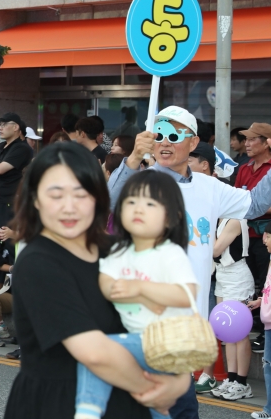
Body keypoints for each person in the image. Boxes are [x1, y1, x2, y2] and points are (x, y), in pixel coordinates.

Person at [5, 142, 192, 419]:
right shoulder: (37, 261)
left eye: (81, 194)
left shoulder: (119, 251)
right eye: (56, 195)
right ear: (35, 199)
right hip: (59, 405)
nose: (69, 207)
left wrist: (179, 381)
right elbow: (94, 352)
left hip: (126, 404)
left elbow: (164, 321)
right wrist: (153, 392)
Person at [108, 106, 271, 417]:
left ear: (193, 143)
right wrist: (130, 161)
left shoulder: (209, 187)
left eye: (174, 135)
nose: (164, 143)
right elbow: (108, 205)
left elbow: (255, 204)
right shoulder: (141, 181)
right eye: (159, 136)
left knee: (181, 409)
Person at [76, 170, 198, 419]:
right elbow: (106, 283)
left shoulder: (170, 253)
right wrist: (141, 297)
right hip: (138, 343)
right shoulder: (119, 251)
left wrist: (140, 289)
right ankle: (89, 409)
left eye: (150, 204)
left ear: (171, 218)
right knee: (156, 404)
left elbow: (187, 294)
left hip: (165, 342)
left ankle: (88, 410)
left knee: (99, 350)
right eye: (131, 201)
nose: (138, 209)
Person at [208, 218, 255, 401]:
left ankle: (242, 383)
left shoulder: (235, 219)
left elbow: (215, 250)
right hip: (221, 275)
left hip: (237, 276)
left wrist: (208, 230)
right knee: (227, 333)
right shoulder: (219, 219)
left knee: (240, 333)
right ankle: (231, 378)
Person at [235, 124, 271, 306]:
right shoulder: (243, 168)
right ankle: (254, 320)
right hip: (244, 236)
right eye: (246, 139)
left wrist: (254, 206)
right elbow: (235, 199)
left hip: (266, 237)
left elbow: (242, 203)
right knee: (249, 282)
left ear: (266, 144)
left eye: (252, 139)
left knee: (267, 280)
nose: (246, 144)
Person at [248, 231, 271, 419]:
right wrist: (261, 301)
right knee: (268, 365)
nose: (264, 240)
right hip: (268, 322)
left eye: (269, 236)